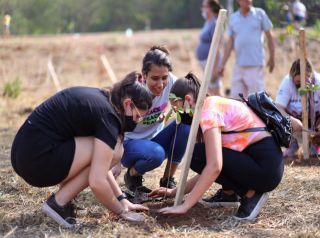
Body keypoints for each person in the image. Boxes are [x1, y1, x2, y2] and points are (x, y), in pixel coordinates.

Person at [149, 73, 302, 221]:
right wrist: (174, 192)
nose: (179, 114)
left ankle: (251, 194)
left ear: (188, 99)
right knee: (200, 155)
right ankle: (229, 194)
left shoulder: (208, 112)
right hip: (266, 165)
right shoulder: (213, 104)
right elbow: (211, 168)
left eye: (178, 109)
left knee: (196, 155)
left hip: (265, 168)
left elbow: (214, 167)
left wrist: (185, 206)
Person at [11, 72, 153, 228]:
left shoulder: (103, 99)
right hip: (36, 161)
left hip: (24, 154)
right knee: (115, 150)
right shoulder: (108, 117)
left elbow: (101, 163)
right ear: (127, 104)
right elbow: (97, 181)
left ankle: (64, 200)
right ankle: (58, 203)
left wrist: (122, 199)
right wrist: (122, 212)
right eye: (138, 116)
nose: (137, 121)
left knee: (112, 150)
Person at [122, 46, 190, 200]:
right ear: (144, 75)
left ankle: (167, 181)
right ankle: (133, 175)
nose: (160, 84)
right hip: (129, 143)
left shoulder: (172, 81)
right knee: (156, 154)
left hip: (155, 139)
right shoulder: (133, 89)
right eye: (154, 78)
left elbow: (180, 103)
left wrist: (166, 113)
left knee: (186, 122)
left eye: (164, 77)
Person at [219, 0, 275, 99]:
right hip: (239, 66)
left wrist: (272, 58)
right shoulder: (233, 18)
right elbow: (230, 43)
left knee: (256, 100)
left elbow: (270, 37)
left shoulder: (260, 14)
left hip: (255, 66)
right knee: (236, 100)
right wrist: (222, 64)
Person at [276, 59, 320, 157]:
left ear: (311, 76)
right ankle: (292, 144)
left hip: (314, 126)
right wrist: (291, 120)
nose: (302, 85)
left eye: (305, 81)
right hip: (295, 126)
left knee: (313, 154)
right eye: (298, 82)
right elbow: (278, 108)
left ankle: (314, 147)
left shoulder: (319, 82)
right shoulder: (287, 82)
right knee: (289, 154)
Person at [196, 0, 224, 96]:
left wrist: (216, 68)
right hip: (206, 62)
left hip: (212, 63)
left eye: (204, 6)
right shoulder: (208, 22)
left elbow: (217, 47)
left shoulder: (215, 23)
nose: (202, 9)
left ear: (210, 8)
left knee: (216, 90)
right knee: (210, 89)